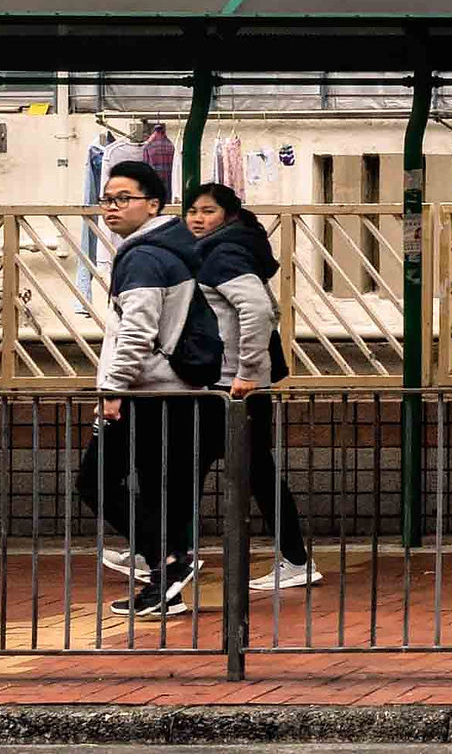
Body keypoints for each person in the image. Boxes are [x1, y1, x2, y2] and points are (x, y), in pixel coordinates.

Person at [82, 160, 257, 618]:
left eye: (124, 198)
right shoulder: (173, 248)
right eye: (106, 199)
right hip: (177, 389)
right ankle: (167, 579)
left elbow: (136, 332)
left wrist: (113, 388)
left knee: (96, 481)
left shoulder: (144, 257)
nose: (111, 207)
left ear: (154, 205)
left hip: (148, 391)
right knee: (164, 492)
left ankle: (170, 561)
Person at [182, 179, 320, 602]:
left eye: (208, 211)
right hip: (229, 384)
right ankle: (169, 553)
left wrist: (247, 371)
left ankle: (169, 555)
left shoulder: (224, 252)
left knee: (236, 470)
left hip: (232, 387)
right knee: (220, 469)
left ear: (228, 215)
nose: (197, 219)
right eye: (192, 211)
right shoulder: (227, 247)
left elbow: (259, 310)